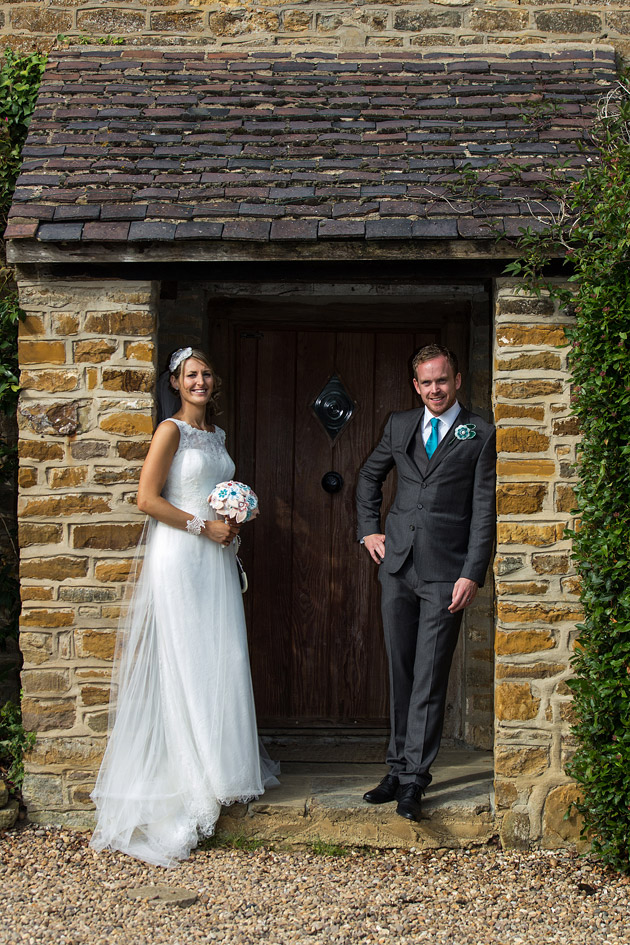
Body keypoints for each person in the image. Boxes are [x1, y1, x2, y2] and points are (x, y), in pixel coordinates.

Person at [91, 346, 278, 867]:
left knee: (220, 658)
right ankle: (190, 777)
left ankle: (221, 769)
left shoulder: (215, 437)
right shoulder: (169, 431)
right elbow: (146, 498)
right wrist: (202, 525)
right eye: (191, 374)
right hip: (180, 555)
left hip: (215, 557)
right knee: (187, 658)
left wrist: (232, 518)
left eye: (207, 374)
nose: (200, 381)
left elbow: (212, 490)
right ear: (176, 381)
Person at [356, 344, 495, 822]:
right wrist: (368, 529)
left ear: (456, 380)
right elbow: (369, 477)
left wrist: (472, 573)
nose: (435, 390)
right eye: (426, 382)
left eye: (442, 380)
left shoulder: (480, 432)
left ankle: (416, 779)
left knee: (430, 678)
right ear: (416, 386)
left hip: (445, 575)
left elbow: (483, 512)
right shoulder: (399, 425)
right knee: (401, 671)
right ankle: (396, 769)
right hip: (397, 568)